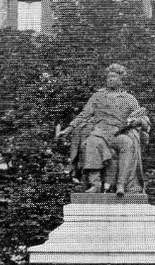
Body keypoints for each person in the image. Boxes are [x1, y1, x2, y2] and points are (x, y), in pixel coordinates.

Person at [57, 64, 150, 195]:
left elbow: (143, 119)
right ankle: (95, 184)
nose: (110, 79)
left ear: (121, 79)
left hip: (118, 133)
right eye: (108, 77)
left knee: (127, 144)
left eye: (114, 77)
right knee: (91, 142)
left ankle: (121, 185)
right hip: (99, 132)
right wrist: (68, 129)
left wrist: (137, 121)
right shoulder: (97, 96)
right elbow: (84, 114)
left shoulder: (129, 99)